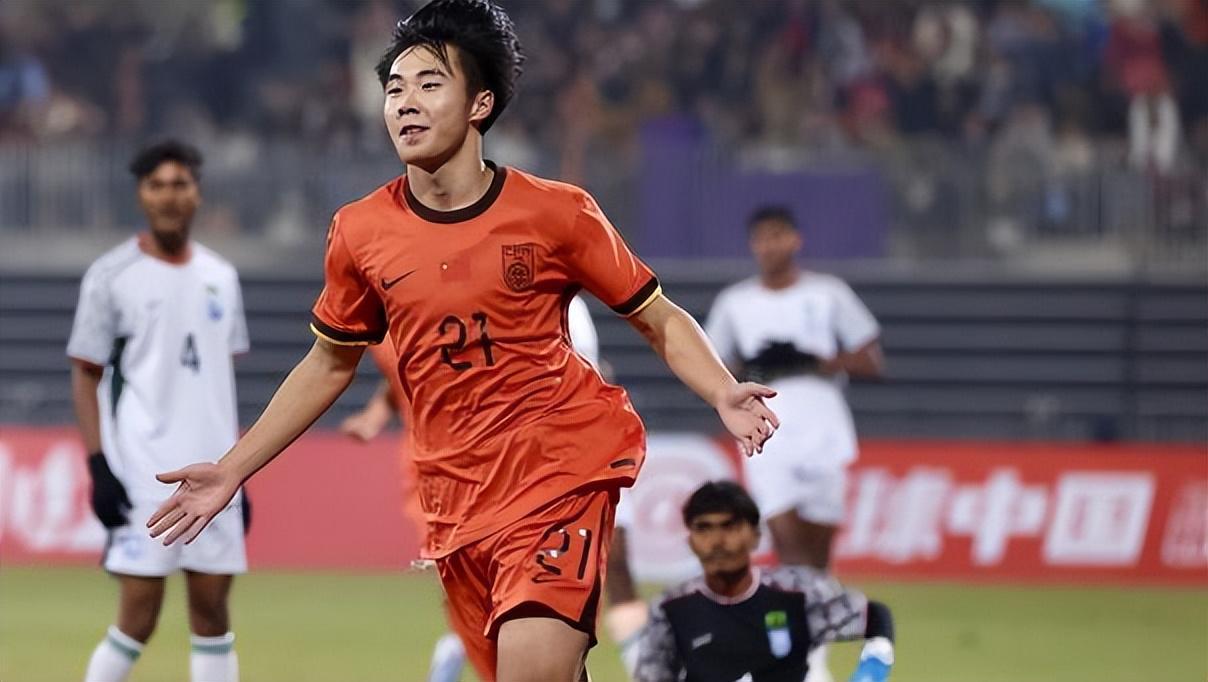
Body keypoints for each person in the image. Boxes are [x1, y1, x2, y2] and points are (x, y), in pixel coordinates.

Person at [146, 2, 779, 680]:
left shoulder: (557, 212)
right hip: (458, 503)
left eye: (429, 84)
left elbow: (656, 316)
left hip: (559, 474)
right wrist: (232, 469)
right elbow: (329, 363)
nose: (405, 103)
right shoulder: (360, 231)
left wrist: (722, 390)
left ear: (480, 103)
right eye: (394, 88)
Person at [339, 294, 601, 682]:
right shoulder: (391, 313)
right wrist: (373, 417)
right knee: (467, 585)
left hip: (499, 461)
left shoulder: (473, 301)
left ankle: (465, 655)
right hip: (432, 470)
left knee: (520, 593)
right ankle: (464, 653)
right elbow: (401, 374)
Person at [68, 140, 249, 682]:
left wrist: (240, 471)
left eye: (180, 184)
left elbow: (220, 381)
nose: (169, 196)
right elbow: (86, 373)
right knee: (138, 617)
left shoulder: (222, 277)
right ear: (141, 196)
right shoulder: (111, 276)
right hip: (144, 473)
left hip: (214, 474)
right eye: (157, 185)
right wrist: (98, 466)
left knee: (213, 613)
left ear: (197, 194)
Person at [704, 205, 884, 682]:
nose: (770, 246)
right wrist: (753, 369)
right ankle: (804, 660)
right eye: (762, 238)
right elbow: (713, 365)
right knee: (786, 539)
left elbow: (871, 359)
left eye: (778, 235)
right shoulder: (735, 303)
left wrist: (818, 361)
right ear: (752, 245)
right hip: (768, 424)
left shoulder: (828, 293)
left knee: (817, 552)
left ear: (795, 239)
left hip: (823, 425)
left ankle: (812, 649)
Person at [633, 481, 895, 682]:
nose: (717, 541)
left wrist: (871, 671)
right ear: (690, 541)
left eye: (730, 527)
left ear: (756, 535)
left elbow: (872, 616)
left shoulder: (797, 593)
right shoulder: (671, 611)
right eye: (704, 528)